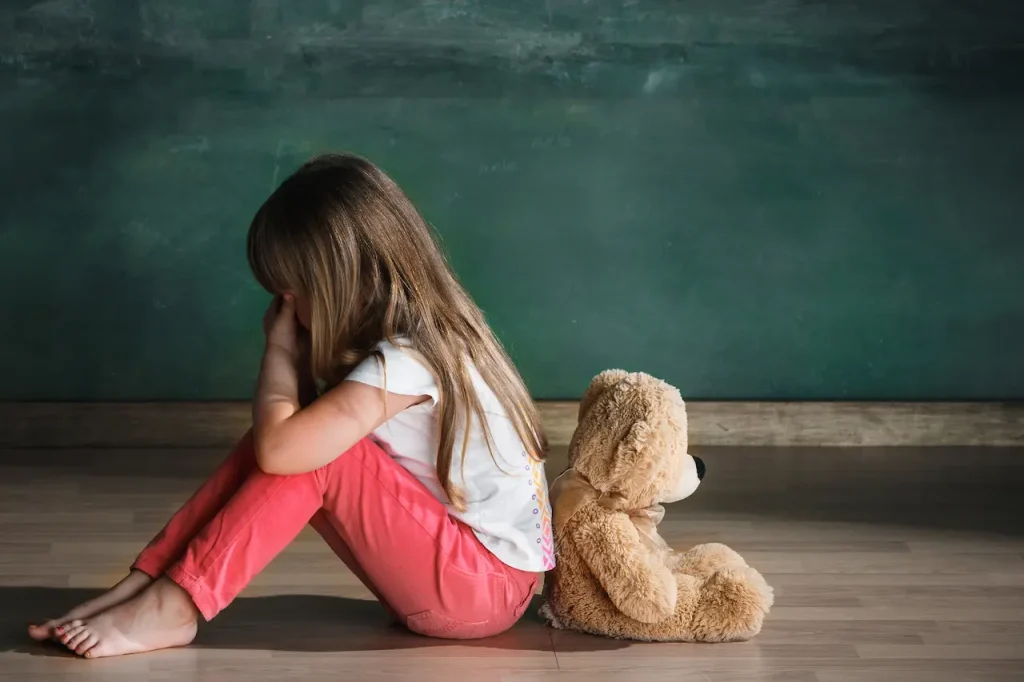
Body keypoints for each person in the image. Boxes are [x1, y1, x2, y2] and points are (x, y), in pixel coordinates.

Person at [28, 153, 554, 658]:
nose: (284, 310)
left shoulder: (409, 359)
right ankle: (151, 583)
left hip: (484, 590)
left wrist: (278, 349)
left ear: (337, 286)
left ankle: (176, 604)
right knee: (285, 441)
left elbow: (286, 452)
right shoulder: (420, 341)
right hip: (473, 582)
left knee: (308, 451)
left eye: (288, 295)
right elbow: (277, 445)